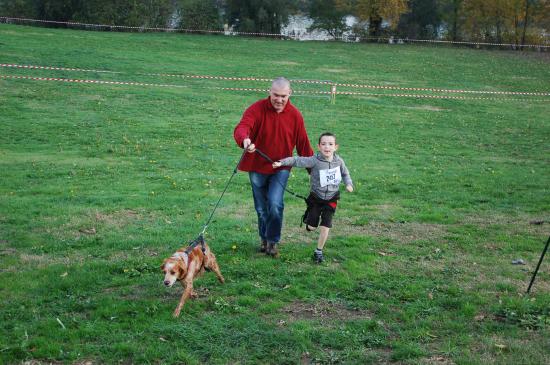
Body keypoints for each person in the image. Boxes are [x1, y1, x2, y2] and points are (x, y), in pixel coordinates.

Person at [234, 77, 314, 258]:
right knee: (262, 208)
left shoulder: (295, 115)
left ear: (290, 94)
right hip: (256, 167)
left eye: (283, 96)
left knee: (275, 203)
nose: (279, 99)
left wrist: (313, 171)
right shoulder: (256, 109)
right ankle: (264, 238)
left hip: (281, 168)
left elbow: (303, 145)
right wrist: (244, 140)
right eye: (276, 95)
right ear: (269, 92)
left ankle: (273, 241)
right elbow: (242, 127)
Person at [273, 132, 353, 263]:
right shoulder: (314, 161)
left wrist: (349, 183)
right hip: (316, 198)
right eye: (323, 144)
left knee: (326, 224)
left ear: (336, 147)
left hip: (332, 198)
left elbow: (345, 173)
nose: (327, 147)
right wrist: (281, 163)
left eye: (330, 144)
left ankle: (318, 251)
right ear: (318, 146)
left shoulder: (339, 161)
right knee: (311, 227)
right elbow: (297, 160)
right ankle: (309, 218)